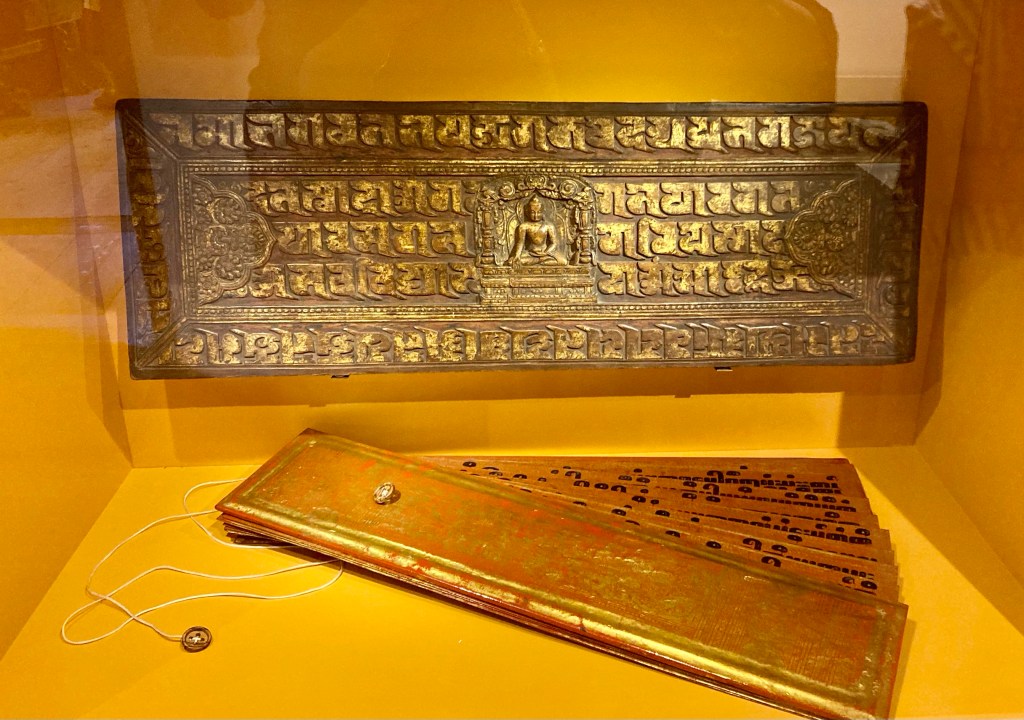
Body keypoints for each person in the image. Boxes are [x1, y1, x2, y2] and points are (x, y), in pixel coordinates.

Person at [506, 195, 560, 266]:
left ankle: (538, 261)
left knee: (563, 261)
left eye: (539, 212)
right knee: (511, 262)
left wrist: (546, 252)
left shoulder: (548, 226)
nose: (536, 215)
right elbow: (520, 242)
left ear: (543, 212)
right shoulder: (524, 226)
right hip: (530, 253)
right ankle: (539, 261)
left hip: (545, 253)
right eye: (532, 212)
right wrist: (517, 256)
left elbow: (554, 243)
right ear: (527, 212)